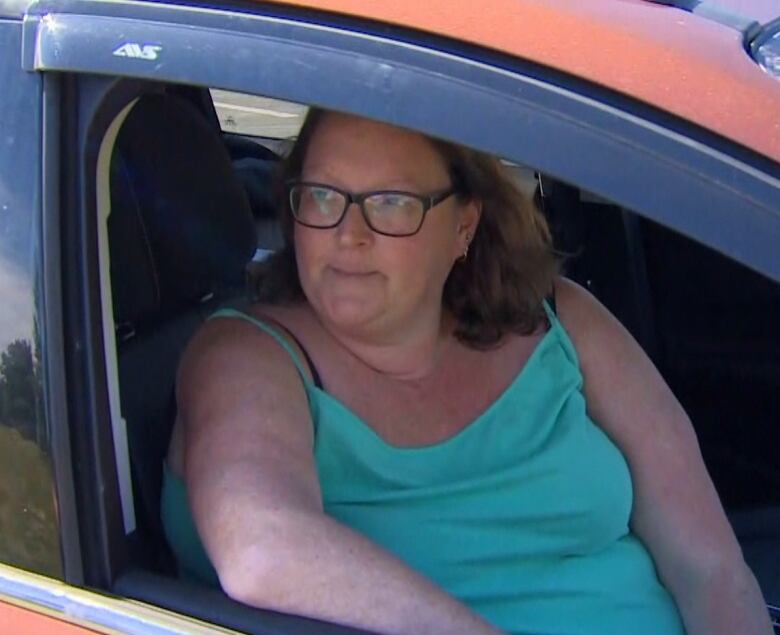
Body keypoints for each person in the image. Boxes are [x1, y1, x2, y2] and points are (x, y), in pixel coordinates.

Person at [161, 108, 771, 635]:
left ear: (464, 226)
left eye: (391, 204)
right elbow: (262, 545)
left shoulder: (561, 320)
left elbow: (709, 564)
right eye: (323, 196)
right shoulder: (250, 355)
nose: (348, 235)